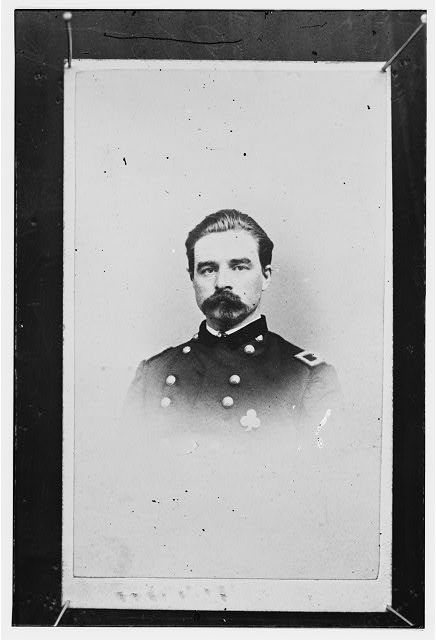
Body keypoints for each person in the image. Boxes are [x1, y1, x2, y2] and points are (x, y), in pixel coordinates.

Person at [125, 209, 341, 452]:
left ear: (266, 276)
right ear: (192, 278)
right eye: (208, 269)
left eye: (238, 267)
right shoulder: (152, 375)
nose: (221, 283)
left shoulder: (307, 378)